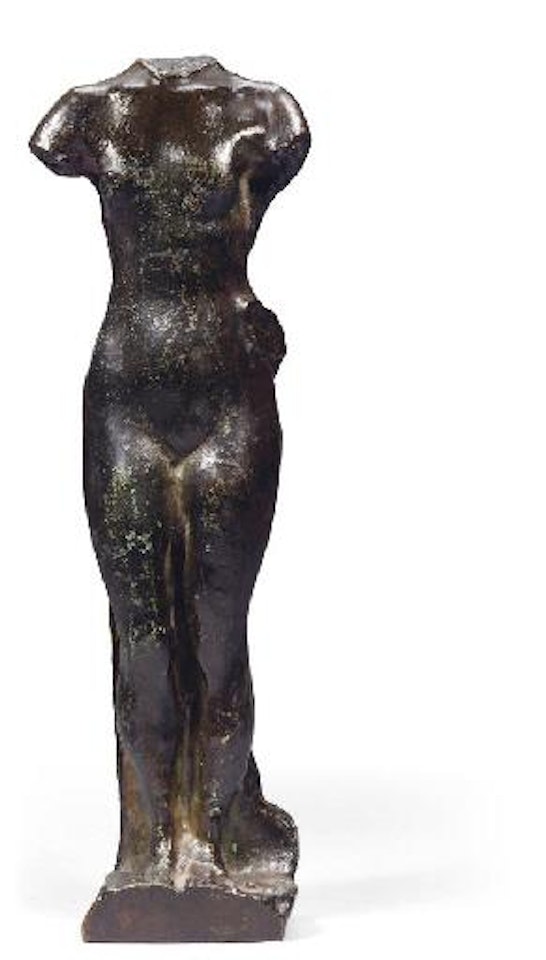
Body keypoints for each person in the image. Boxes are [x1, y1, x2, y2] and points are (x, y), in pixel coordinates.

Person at [30, 57, 310, 897]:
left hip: (228, 397)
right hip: (129, 397)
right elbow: (49, 147)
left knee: (217, 637)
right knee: (143, 639)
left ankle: (213, 844)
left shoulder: (265, 112)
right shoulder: (89, 112)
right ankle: (148, 849)